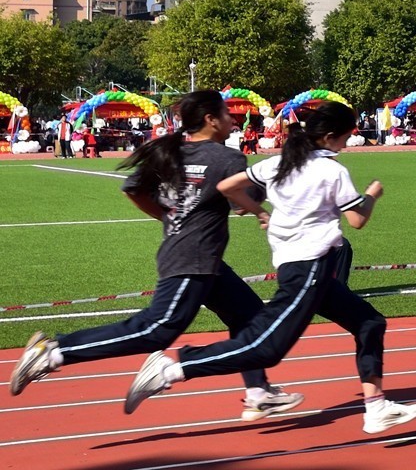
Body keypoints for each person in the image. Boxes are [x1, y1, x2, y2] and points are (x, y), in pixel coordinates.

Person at [122, 102, 416, 436]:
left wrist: (258, 210)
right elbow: (357, 219)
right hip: (309, 266)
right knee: (266, 347)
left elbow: (227, 188)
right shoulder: (331, 171)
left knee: (369, 322)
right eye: (347, 134)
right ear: (330, 136)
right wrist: (372, 193)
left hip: (301, 264)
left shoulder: (278, 163)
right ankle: (172, 369)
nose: (348, 140)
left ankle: (376, 406)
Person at [9, 90, 303, 422]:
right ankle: (53, 353)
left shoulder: (172, 150)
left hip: (195, 258)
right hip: (193, 260)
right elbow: (239, 204)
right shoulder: (227, 159)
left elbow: (133, 189)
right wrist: (272, 186)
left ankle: (258, 392)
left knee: (249, 317)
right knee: (157, 329)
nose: (232, 120)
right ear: (210, 120)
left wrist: (170, 217)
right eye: (226, 114)